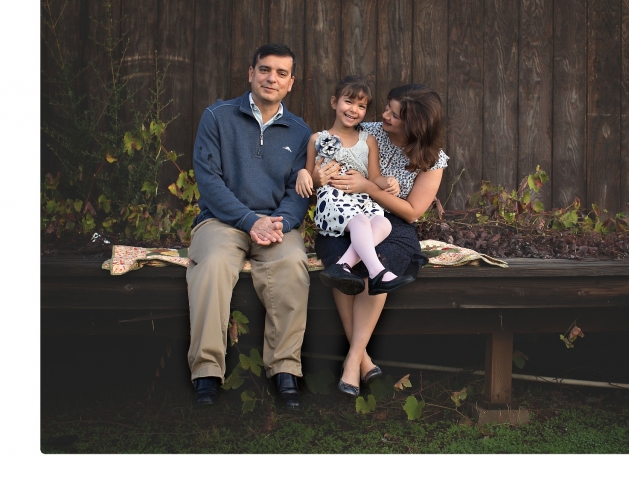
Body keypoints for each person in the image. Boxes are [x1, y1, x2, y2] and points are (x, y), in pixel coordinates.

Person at [186, 43, 311, 409]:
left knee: (293, 264)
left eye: (281, 73)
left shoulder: (300, 132)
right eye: (265, 70)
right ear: (251, 73)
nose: (272, 78)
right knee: (212, 266)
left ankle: (285, 369)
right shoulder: (217, 117)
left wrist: (278, 223)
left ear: (291, 82)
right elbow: (209, 181)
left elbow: (298, 191)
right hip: (221, 221)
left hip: (275, 223)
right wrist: (248, 220)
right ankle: (207, 372)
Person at [313, 84, 448, 397]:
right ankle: (363, 360)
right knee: (345, 261)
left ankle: (352, 360)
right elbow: (328, 163)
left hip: (395, 225)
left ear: (414, 125)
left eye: (395, 114)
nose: (385, 115)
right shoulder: (366, 131)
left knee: (378, 262)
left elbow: (412, 212)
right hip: (349, 217)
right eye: (387, 107)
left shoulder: (432, 159)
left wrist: (369, 187)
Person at [295, 76, 413, 299]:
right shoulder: (317, 138)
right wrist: (303, 174)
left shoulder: (368, 140)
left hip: (360, 200)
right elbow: (310, 177)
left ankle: (342, 266)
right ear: (334, 102)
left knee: (384, 223)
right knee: (360, 222)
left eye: (361, 106)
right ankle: (378, 272)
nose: (354, 110)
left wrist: (389, 182)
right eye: (348, 102)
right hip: (332, 200)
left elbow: (374, 177)